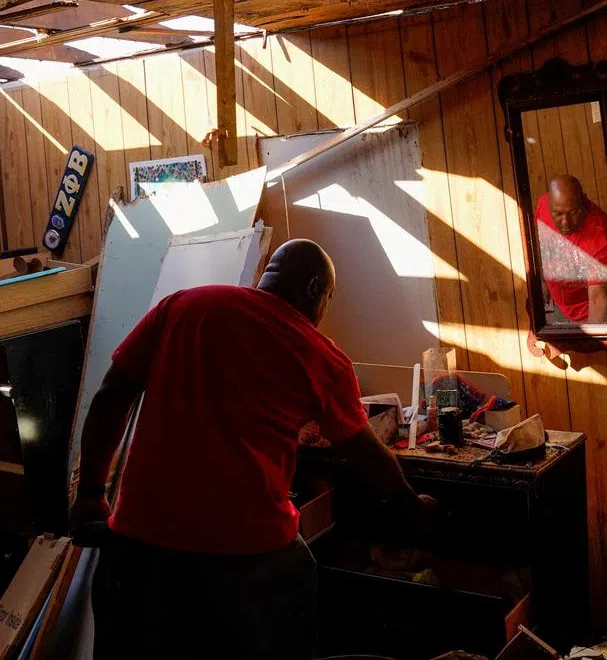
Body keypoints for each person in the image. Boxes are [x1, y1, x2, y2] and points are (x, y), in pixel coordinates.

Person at [69, 239, 435, 660]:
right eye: (330, 298)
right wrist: (413, 510)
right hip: (247, 558)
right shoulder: (320, 356)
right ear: (315, 289)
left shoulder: (184, 306)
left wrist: (91, 495)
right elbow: (369, 457)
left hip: (141, 544)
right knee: (301, 578)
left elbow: (111, 395)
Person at [533, 174, 607, 324]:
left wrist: (590, 341)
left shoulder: (601, 236)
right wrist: (542, 278)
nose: (565, 221)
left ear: (584, 202)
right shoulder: (543, 204)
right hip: (560, 306)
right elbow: (542, 240)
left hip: (592, 314)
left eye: (573, 212)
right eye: (558, 214)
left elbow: (598, 300)